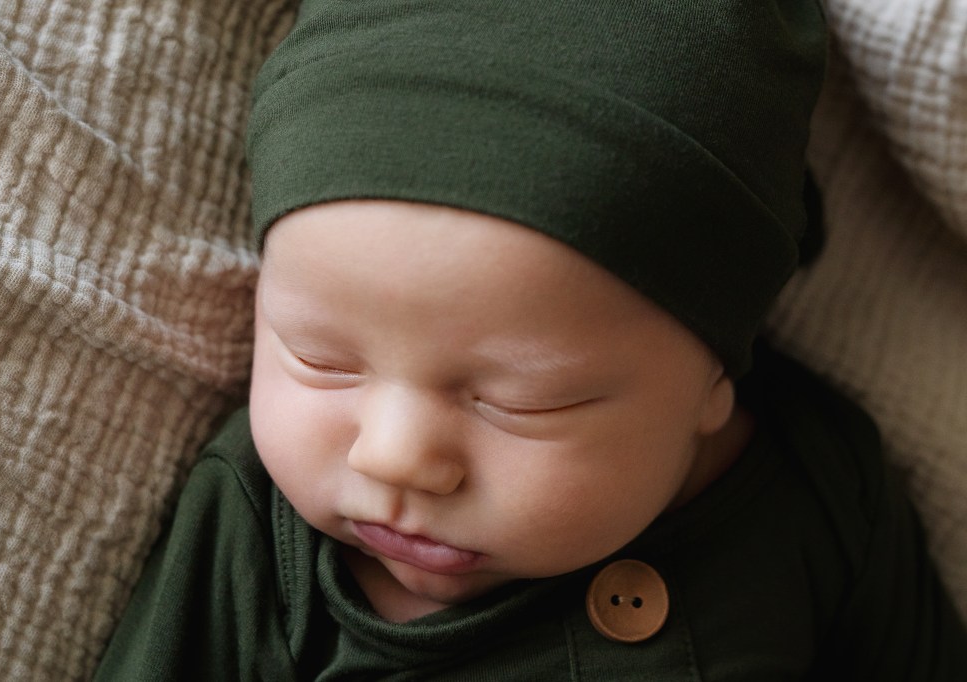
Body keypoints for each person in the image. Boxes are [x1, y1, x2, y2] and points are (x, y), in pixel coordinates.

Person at [94, 0, 967, 679]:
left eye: (522, 400)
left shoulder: (819, 495)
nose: (394, 456)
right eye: (320, 360)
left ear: (711, 375)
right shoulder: (257, 531)